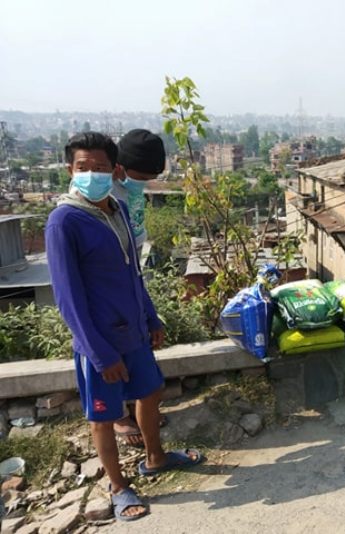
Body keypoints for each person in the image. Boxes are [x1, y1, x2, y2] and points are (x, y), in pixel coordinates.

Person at [45, 132, 202, 522]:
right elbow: (68, 298)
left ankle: (156, 457)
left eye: (99, 168)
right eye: (83, 167)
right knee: (103, 415)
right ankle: (118, 486)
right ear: (70, 170)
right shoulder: (64, 221)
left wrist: (150, 316)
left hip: (132, 329)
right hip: (99, 340)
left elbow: (134, 274)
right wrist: (99, 353)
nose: (91, 174)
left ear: (113, 169)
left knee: (150, 391)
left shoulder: (117, 209)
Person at [110, 129, 168, 447]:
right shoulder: (102, 196)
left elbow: (135, 242)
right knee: (113, 354)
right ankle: (119, 416)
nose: (143, 183)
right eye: (141, 176)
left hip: (132, 279)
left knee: (137, 350)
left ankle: (141, 410)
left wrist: (149, 311)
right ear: (119, 167)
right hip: (107, 288)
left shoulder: (131, 194)